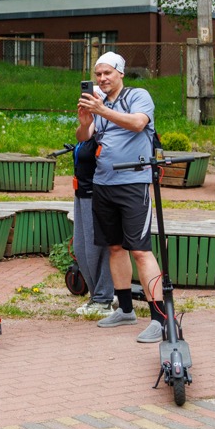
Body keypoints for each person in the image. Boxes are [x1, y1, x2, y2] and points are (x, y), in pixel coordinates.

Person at [76, 51, 166, 343]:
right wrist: (85, 119)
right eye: (98, 74)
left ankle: (160, 319)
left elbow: (139, 124)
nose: (102, 79)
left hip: (133, 182)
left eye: (107, 74)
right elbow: (83, 137)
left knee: (140, 250)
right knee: (115, 248)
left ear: (120, 74)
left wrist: (102, 111)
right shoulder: (98, 103)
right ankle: (125, 309)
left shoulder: (137, 96)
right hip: (103, 183)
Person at [71, 135, 115, 318]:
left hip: (97, 194)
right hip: (81, 192)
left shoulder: (107, 128)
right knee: (81, 248)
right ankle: (97, 295)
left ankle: (104, 299)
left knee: (97, 249)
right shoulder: (88, 129)